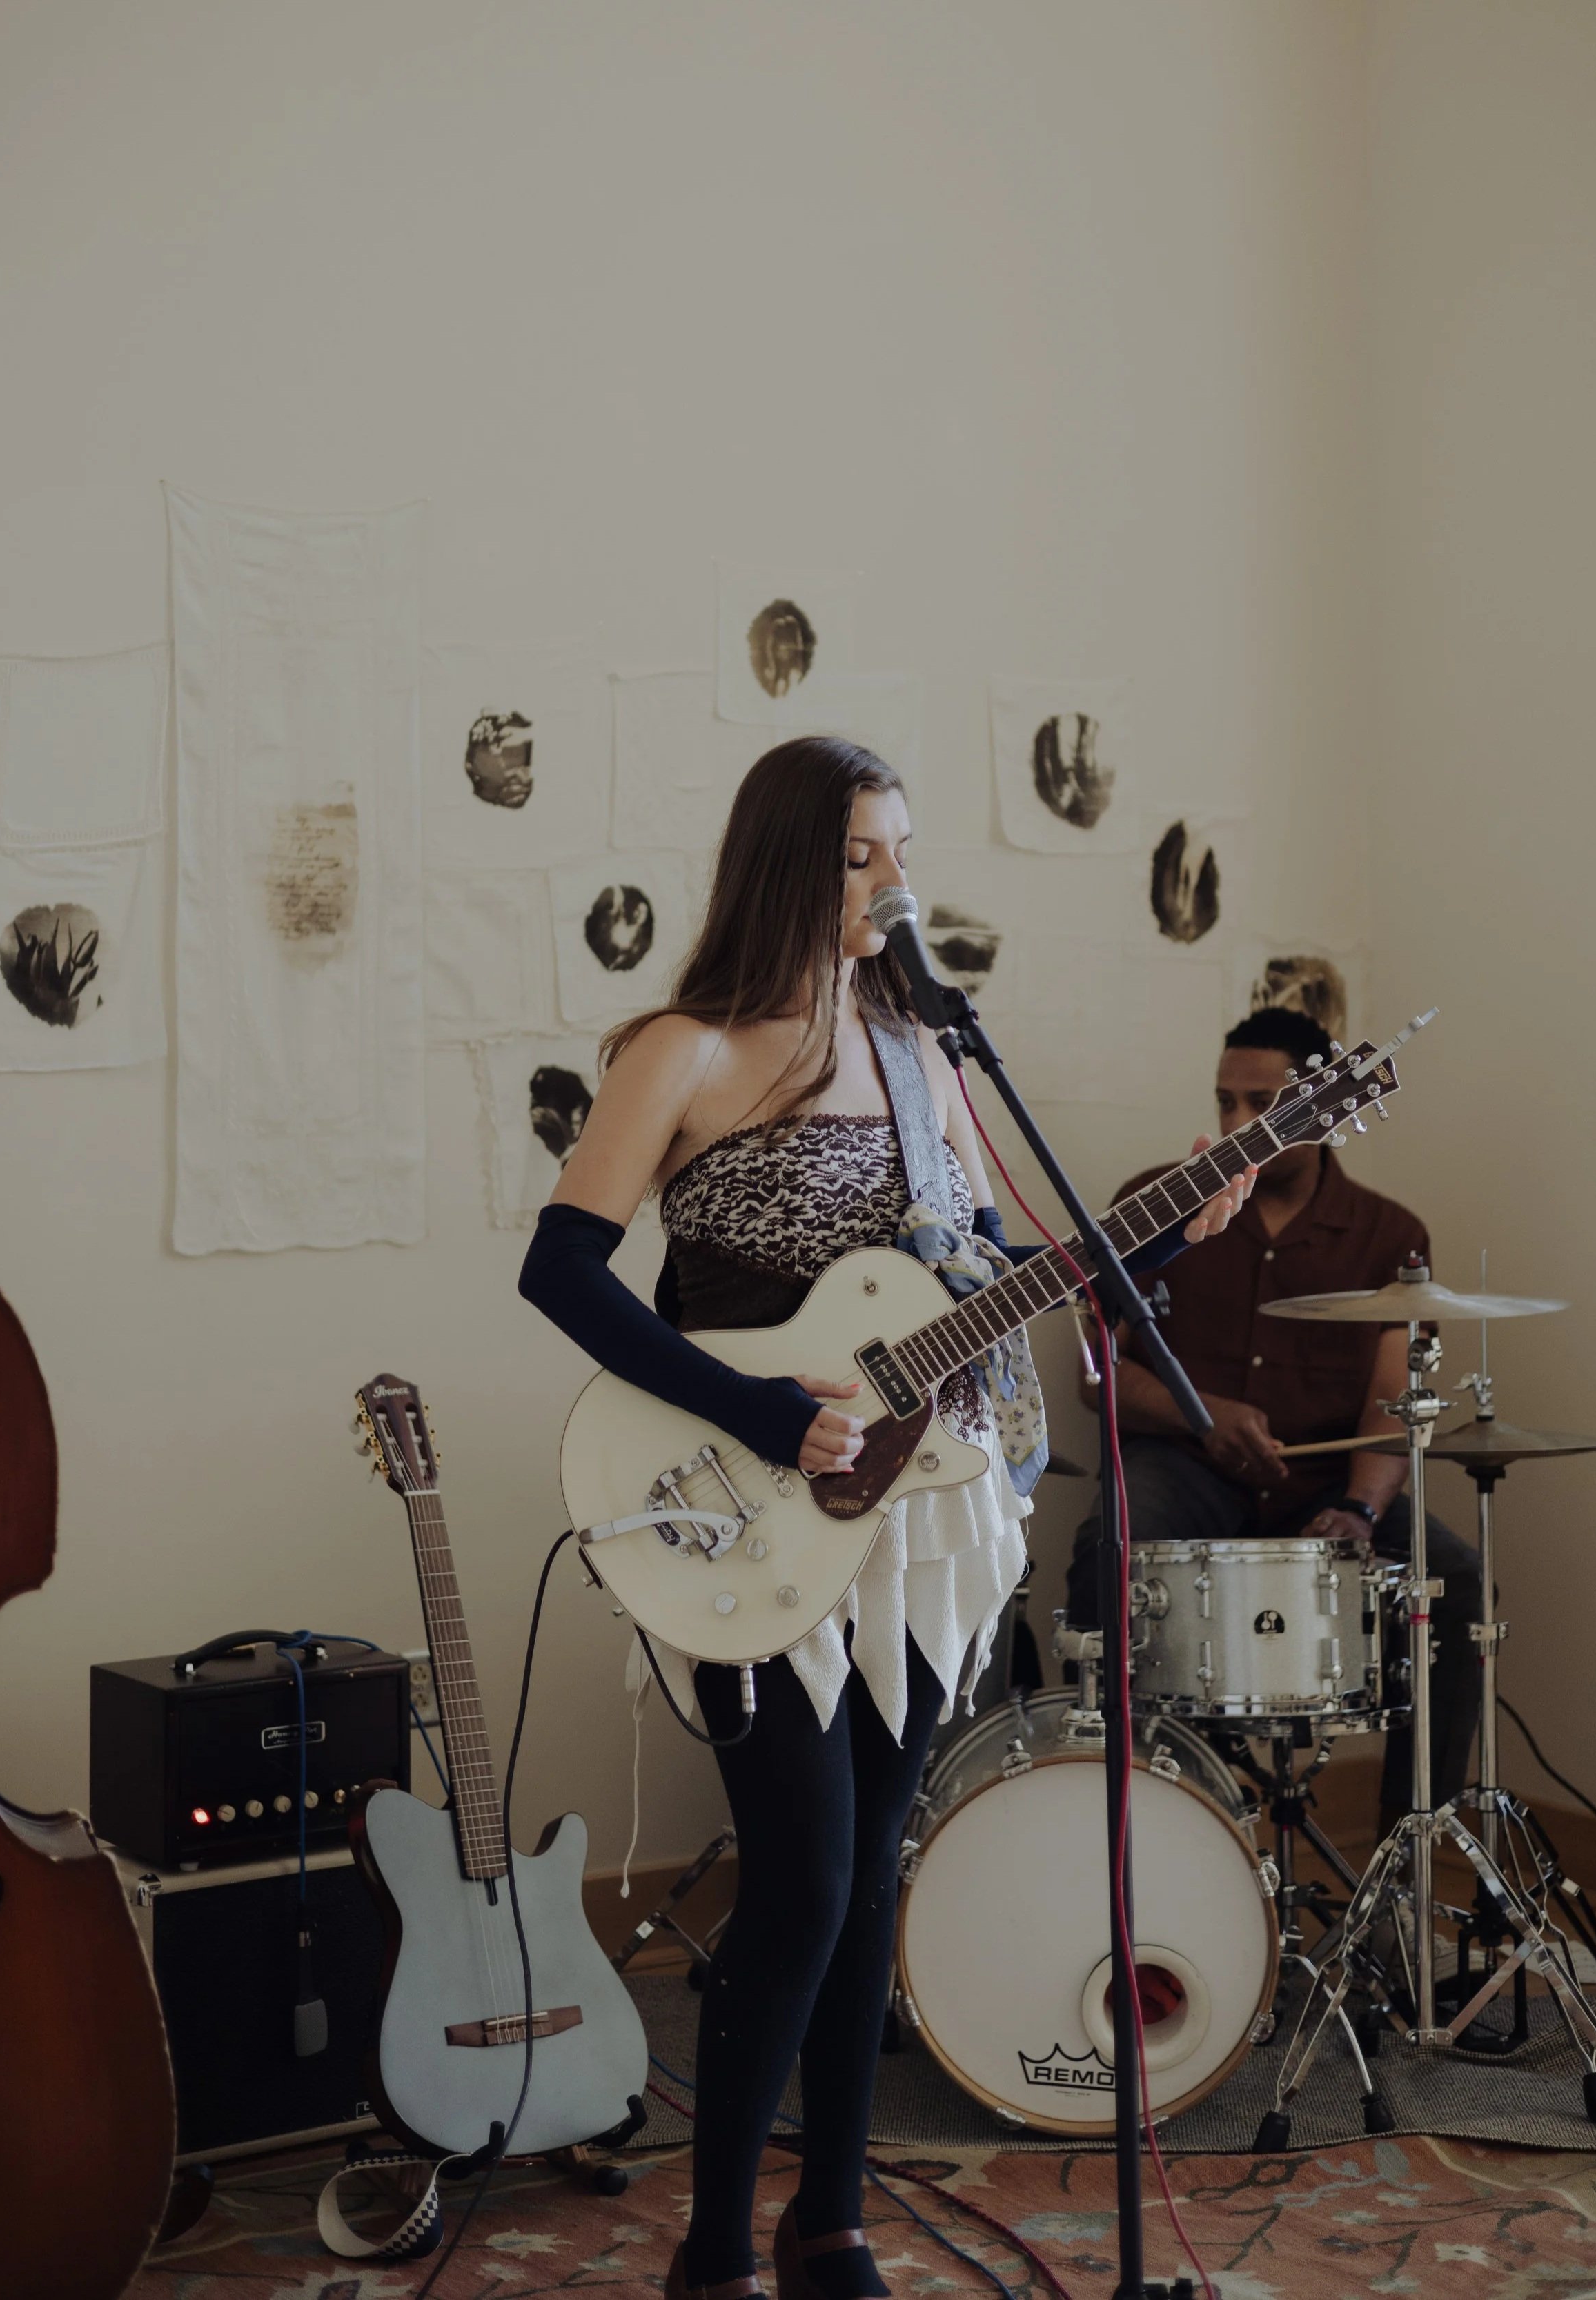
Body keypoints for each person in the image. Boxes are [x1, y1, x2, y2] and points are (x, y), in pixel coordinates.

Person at [517, 736, 1251, 2300]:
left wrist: (1161, 1240)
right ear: (789, 860)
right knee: (798, 1882)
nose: (895, 880)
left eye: (903, 848)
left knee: (866, 1882)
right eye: (863, 853)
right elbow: (560, 1268)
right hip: (750, 1510)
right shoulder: (684, 1048)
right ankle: (716, 2243)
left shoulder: (928, 1053)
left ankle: (831, 2219)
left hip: (925, 1514)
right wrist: (759, 1410)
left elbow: (986, 1269)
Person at [1065, 1005, 1483, 1836]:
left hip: (1325, 1480)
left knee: (1456, 1578)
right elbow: (1096, 1373)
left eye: (1260, 1105)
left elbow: (1391, 1400)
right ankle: (1114, 1821)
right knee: (1105, 1547)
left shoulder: (1389, 1233)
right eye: (1225, 1102)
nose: (1235, 1124)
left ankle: (1411, 1839)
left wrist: (1360, 1508)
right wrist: (1200, 1416)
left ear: (1321, 1107)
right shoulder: (1152, 1201)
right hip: (1184, 1466)